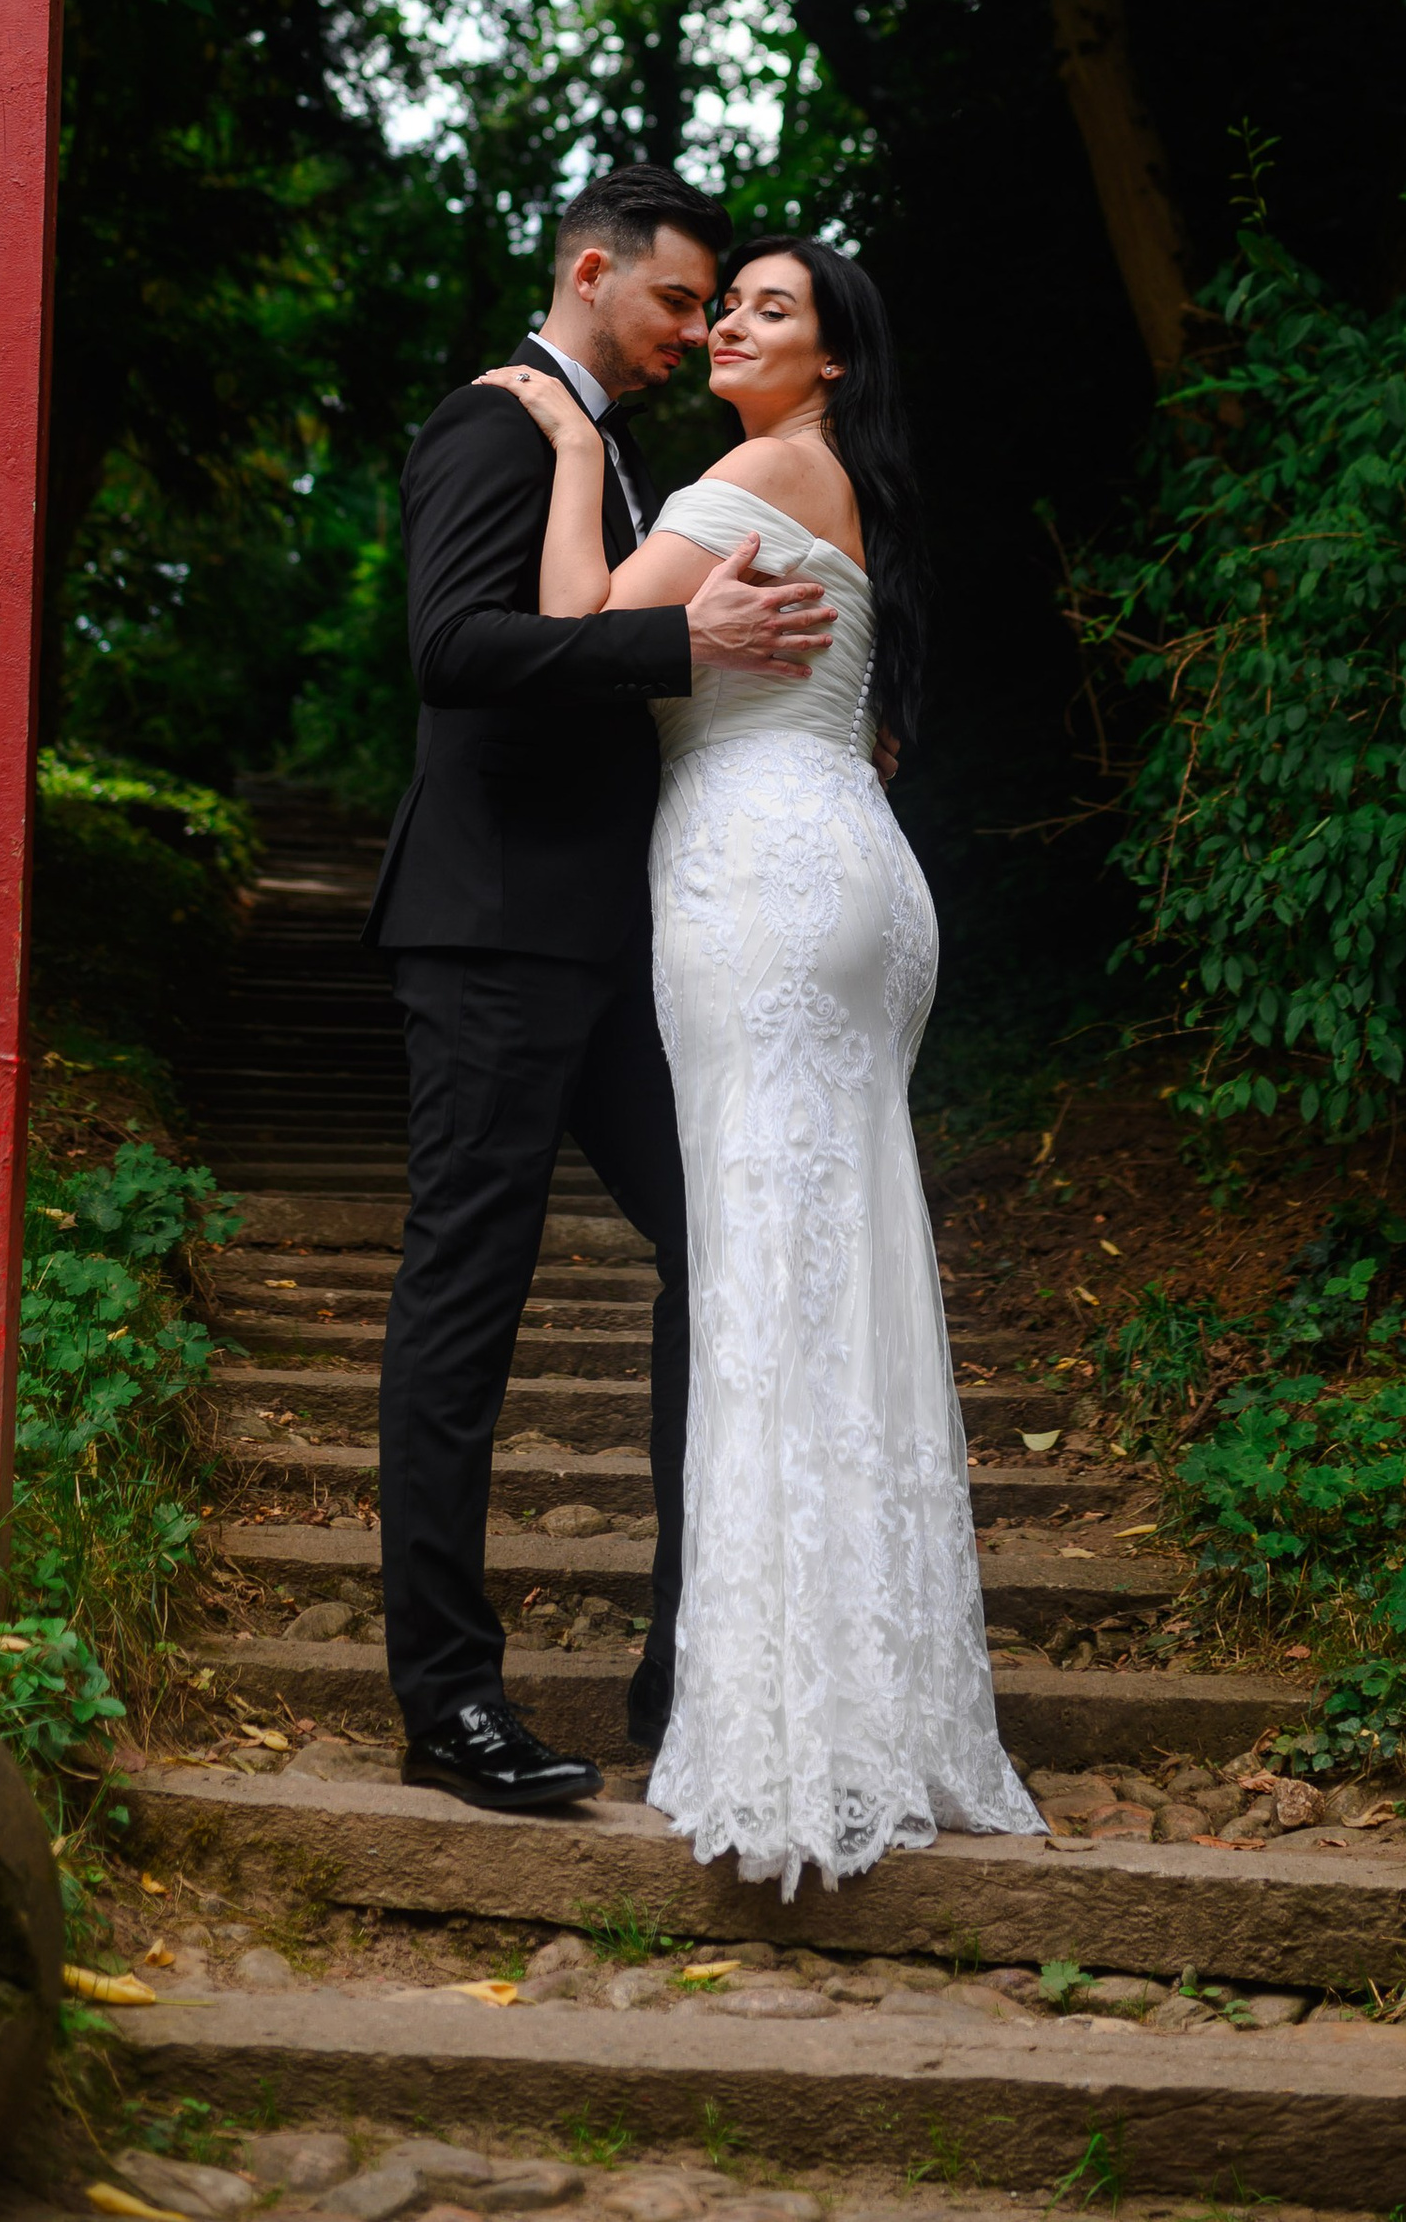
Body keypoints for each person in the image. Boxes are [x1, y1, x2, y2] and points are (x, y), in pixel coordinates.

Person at [478, 232, 1041, 1895]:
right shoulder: (835, 480)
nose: (730, 321)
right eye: (726, 304)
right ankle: (877, 1696)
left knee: (765, 1288)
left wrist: (577, 448)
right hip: (854, 868)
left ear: (836, 361)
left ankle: (798, 1727)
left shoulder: (757, 467)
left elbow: (571, 618)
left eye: (770, 309)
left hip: (766, 887)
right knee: (832, 1279)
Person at [368, 165, 837, 1815]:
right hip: (492, 936)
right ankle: (448, 1701)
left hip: (616, 943)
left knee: (722, 1245)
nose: (695, 332)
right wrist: (680, 652)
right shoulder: (494, 425)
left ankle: (689, 1649)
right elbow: (453, 647)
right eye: (676, 303)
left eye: (716, 309)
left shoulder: (615, 456)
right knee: (465, 1301)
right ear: (591, 271)